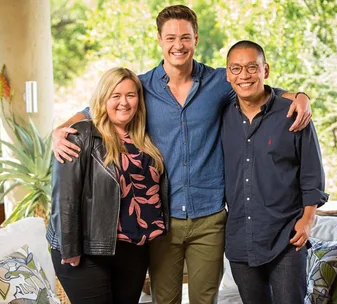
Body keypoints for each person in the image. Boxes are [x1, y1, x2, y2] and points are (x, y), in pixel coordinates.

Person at [52, 5, 313, 304]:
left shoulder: (219, 83)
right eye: (171, 37)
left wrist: (301, 97)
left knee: (205, 299)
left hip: (210, 217)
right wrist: (58, 130)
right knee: (165, 299)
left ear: (196, 39)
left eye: (186, 37)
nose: (179, 45)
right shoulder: (140, 87)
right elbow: (95, 109)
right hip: (163, 220)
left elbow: (257, 89)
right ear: (160, 40)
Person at [46, 67, 169, 304]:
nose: (124, 102)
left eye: (131, 95)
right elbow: (65, 196)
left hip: (133, 250)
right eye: (116, 95)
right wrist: (70, 246)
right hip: (87, 250)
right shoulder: (81, 135)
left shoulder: (145, 140)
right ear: (102, 99)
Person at [222, 40, 329, 304]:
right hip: (240, 239)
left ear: (265, 70)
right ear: (227, 74)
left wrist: (308, 219)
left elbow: (312, 172)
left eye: (251, 67)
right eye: (236, 69)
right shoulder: (221, 115)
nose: (244, 75)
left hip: (286, 238)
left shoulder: (293, 114)